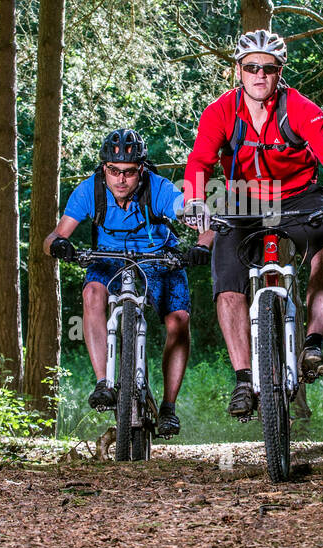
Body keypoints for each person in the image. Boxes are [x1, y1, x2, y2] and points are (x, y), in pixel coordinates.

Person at [181, 30, 323, 419]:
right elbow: (199, 162)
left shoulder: (301, 108)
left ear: (280, 73)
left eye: (269, 68)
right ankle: (245, 379)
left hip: (299, 196)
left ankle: (312, 344)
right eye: (251, 67)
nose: (259, 75)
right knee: (227, 285)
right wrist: (195, 199)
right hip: (241, 199)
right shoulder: (220, 112)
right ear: (239, 71)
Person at [43, 128, 209, 436]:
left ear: (141, 170)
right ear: (104, 168)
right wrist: (58, 245)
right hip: (108, 260)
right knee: (92, 292)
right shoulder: (89, 191)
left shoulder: (157, 189)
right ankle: (104, 383)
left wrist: (203, 243)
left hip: (158, 258)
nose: (121, 179)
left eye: (129, 173)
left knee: (178, 320)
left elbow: (197, 214)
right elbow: (52, 236)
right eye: (114, 171)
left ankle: (168, 408)